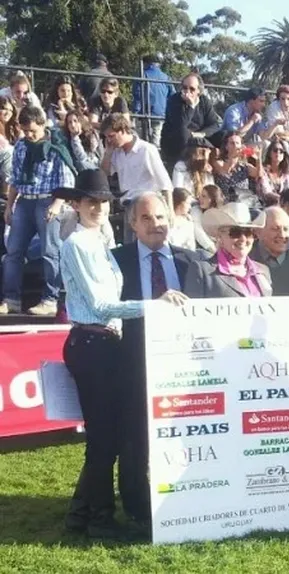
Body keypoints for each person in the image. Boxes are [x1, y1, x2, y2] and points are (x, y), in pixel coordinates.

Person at [59, 170, 187, 539]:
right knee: (103, 439)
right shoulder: (77, 244)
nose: (98, 207)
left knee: (109, 437)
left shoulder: (100, 241)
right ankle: (99, 519)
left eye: (102, 201)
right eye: (91, 201)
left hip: (106, 344)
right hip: (92, 343)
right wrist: (155, 305)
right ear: (77, 204)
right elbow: (101, 306)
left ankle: (81, 514)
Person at [111, 190, 200, 528]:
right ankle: (136, 505)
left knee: (181, 435)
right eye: (146, 218)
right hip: (132, 362)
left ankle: (183, 496)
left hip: (183, 366)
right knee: (134, 436)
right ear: (133, 224)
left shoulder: (192, 261)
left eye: (161, 217)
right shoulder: (115, 261)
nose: (155, 224)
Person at [1, 105, 76, 316]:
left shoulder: (56, 146)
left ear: (42, 125)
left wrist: (57, 204)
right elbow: (15, 178)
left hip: (47, 200)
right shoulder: (21, 146)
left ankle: (50, 299)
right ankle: (11, 299)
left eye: (33, 130)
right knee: (13, 251)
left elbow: (66, 180)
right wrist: (9, 206)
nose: (29, 135)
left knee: (50, 251)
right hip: (24, 201)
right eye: (25, 131)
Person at [184, 202, 273, 298]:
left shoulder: (263, 270)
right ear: (220, 237)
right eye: (235, 232)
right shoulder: (202, 271)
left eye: (248, 233)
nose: (243, 239)